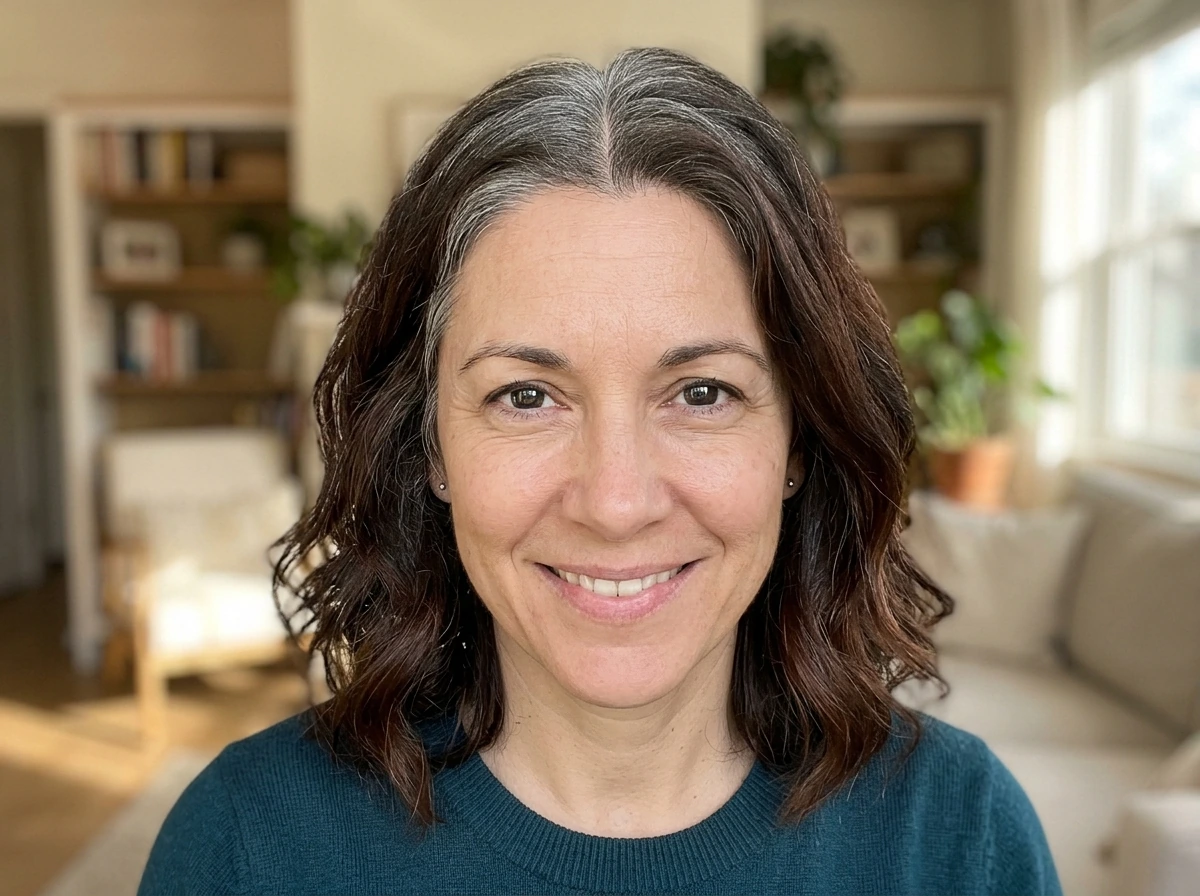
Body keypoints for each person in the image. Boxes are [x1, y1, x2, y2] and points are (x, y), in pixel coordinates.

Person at [138, 48, 1061, 895]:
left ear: (799, 442)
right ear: (429, 447)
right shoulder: (245, 848)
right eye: (527, 397)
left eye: (701, 392)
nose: (617, 503)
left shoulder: (957, 840)